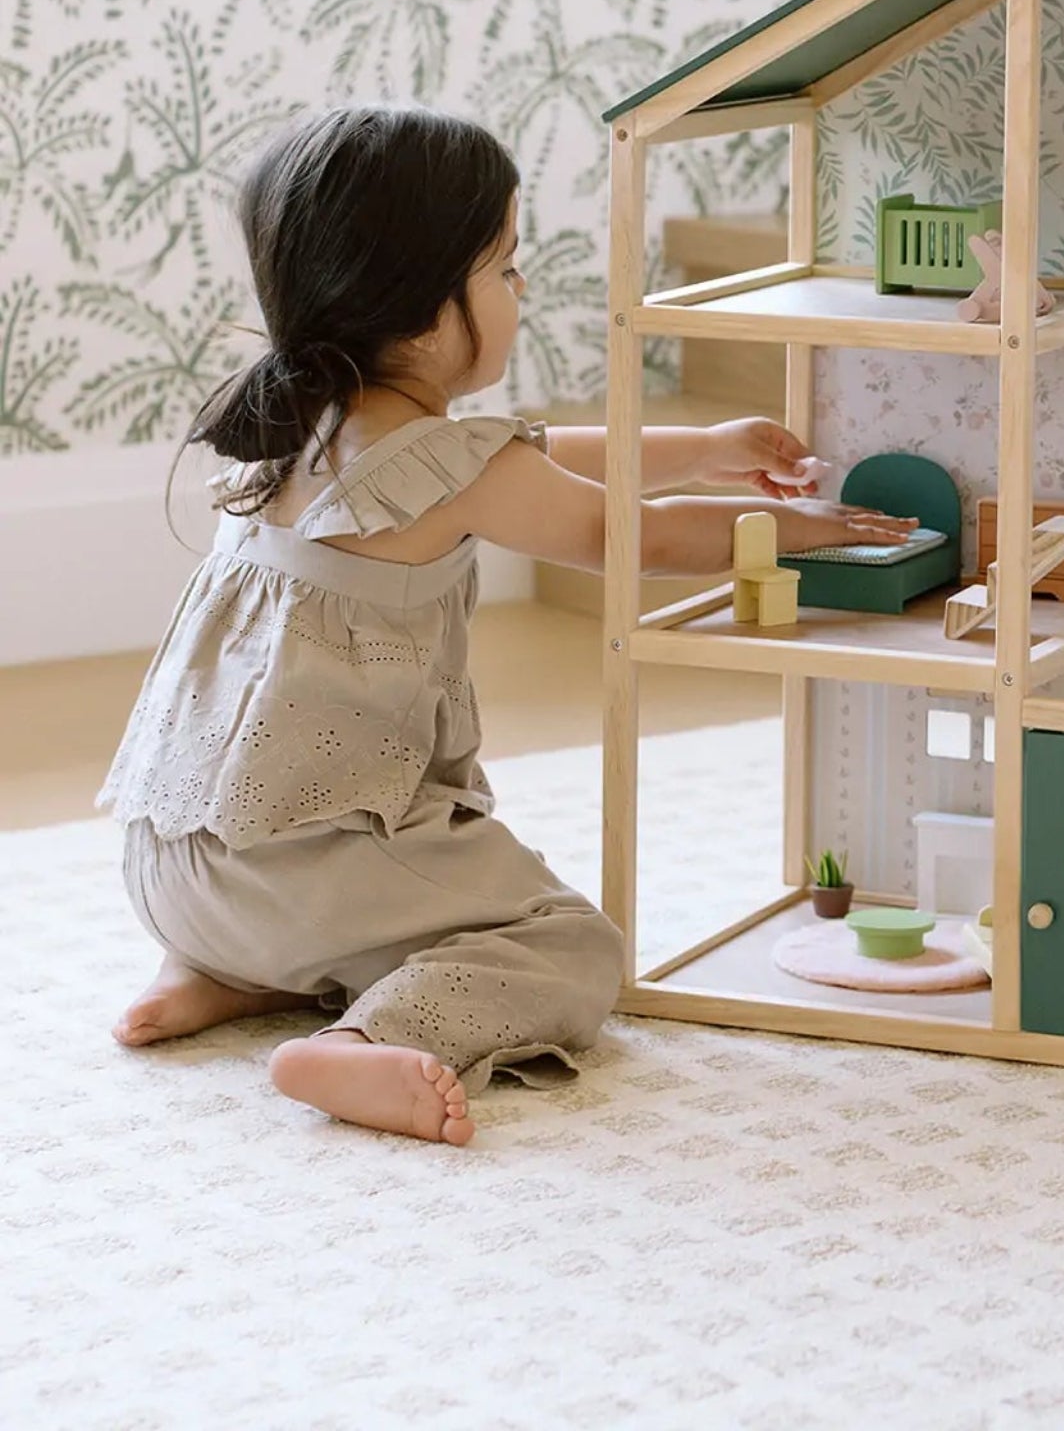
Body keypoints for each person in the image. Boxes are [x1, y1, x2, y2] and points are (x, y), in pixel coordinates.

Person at [99, 106, 912, 1146]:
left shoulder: (299, 420)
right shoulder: (453, 465)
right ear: (425, 304)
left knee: (375, 888)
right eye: (507, 270)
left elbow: (545, 451)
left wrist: (704, 444)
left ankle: (225, 974)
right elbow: (633, 536)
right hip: (293, 874)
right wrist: (791, 528)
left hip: (168, 865)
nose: (520, 292)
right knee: (570, 943)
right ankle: (356, 1043)